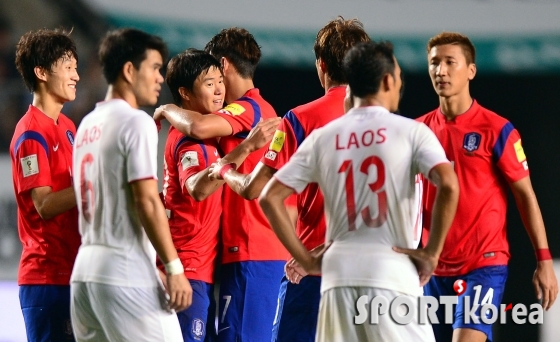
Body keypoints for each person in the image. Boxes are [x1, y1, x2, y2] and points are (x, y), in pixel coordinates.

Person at [259, 41, 460, 342]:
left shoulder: (323, 138)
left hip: (338, 278)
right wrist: (431, 254)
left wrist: (308, 259)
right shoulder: (411, 132)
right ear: (388, 80)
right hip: (392, 274)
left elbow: (268, 197)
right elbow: (449, 183)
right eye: (400, 76)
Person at [207, 17, 370, 342]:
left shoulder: (298, 120)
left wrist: (223, 168)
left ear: (321, 65)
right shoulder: (389, 126)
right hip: (372, 272)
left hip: (312, 271)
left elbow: (257, 189)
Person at [417, 31, 559, 342]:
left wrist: (544, 260)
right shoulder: (417, 132)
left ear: (471, 70)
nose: (440, 70)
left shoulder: (497, 130)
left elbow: (525, 196)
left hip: (484, 263)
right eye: (434, 63)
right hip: (433, 270)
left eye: (450, 62)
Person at [153, 27, 288, 342]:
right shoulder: (248, 113)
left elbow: (197, 126)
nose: (215, 87)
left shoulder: (247, 107)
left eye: (215, 76)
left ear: (224, 65)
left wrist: (166, 108)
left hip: (249, 252)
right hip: (228, 255)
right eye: (206, 81)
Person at [70, 28, 192, 341]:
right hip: (123, 270)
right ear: (128, 70)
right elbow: (147, 200)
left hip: (85, 275)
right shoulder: (136, 121)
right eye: (154, 67)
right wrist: (174, 267)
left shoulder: (87, 125)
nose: (160, 77)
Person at [10, 28, 81, 341]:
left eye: (76, 68)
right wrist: (94, 184)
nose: (76, 76)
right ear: (41, 72)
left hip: (75, 273)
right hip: (46, 279)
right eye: (68, 68)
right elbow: (45, 205)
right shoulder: (30, 133)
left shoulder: (67, 126)